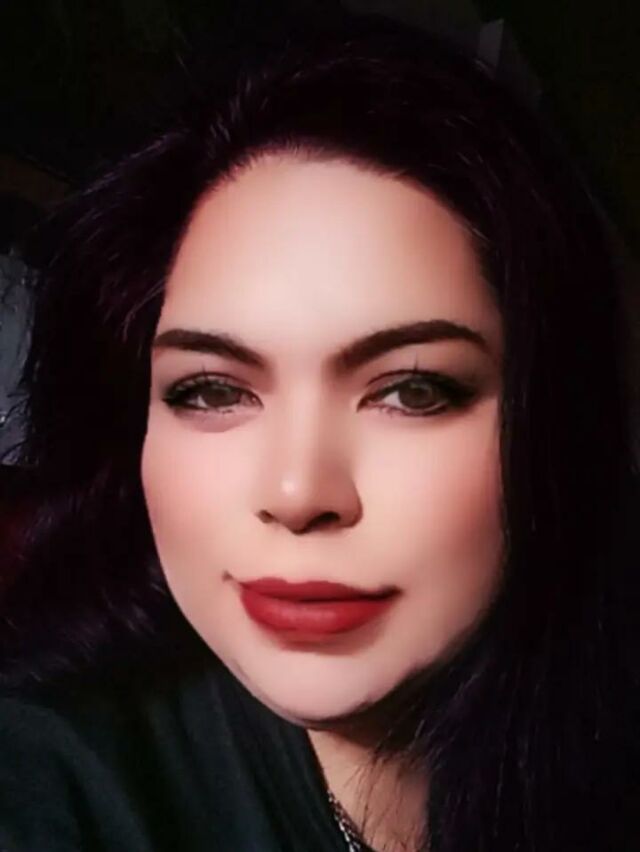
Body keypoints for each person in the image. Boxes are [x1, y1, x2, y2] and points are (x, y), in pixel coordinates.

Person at [0, 10, 638, 852]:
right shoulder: (50, 779)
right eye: (211, 390)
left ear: (549, 424)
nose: (299, 493)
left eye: (411, 390)